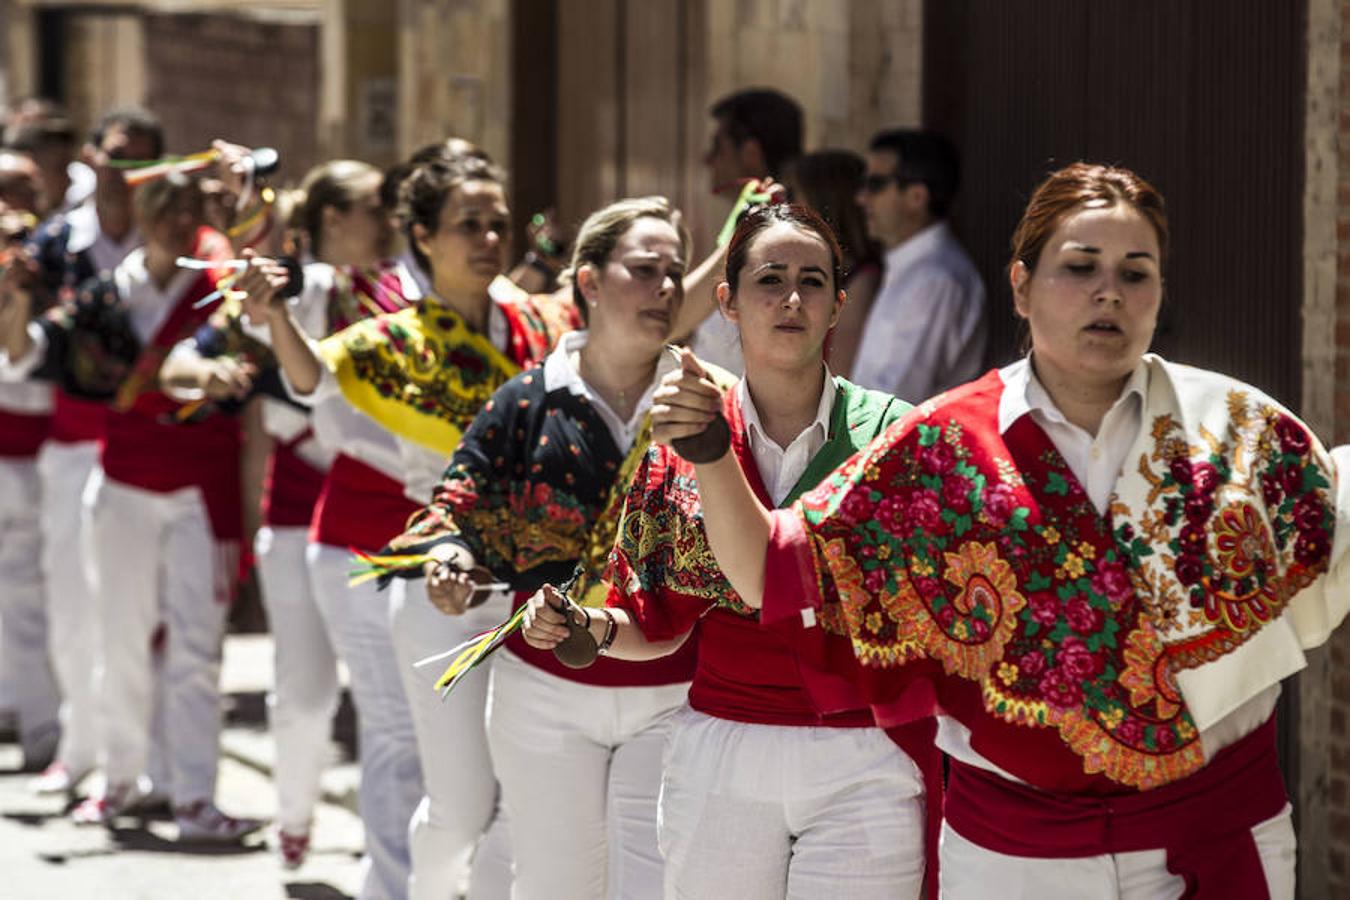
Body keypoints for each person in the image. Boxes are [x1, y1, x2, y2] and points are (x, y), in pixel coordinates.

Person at [662, 162, 1350, 898]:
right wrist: (712, 456)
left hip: (1212, 837)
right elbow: (777, 570)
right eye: (1079, 267)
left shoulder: (1242, 430)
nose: (1108, 291)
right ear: (1020, 286)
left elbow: (1330, 523)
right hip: (1016, 862)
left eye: (1135, 271)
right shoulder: (940, 448)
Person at [523, 203, 940, 899]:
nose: (791, 299)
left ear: (838, 305)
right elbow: (654, 623)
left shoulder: (894, 437)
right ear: (729, 302)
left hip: (866, 755)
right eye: (769, 280)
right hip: (721, 750)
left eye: (812, 282)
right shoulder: (679, 445)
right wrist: (585, 628)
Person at [252, 153, 574, 900]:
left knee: (495, 765)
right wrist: (268, 306)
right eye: (470, 223)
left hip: (497, 567)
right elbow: (308, 380)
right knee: (397, 738)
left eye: (497, 222)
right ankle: (392, 889)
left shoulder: (519, 312)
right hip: (369, 549)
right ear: (421, 231)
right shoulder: (361, 300)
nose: (489, 237)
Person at [386, 196, 703, 899]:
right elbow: (460, 509)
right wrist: (455, 563)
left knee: (651, 885)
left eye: (675, 273)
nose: (666, 289)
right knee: (556, 884)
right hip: (545, 694)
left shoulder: (709, 406)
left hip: (673, 692)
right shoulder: (527, 401)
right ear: (589, 282)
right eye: (645, 269)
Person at [161, 157, 414, 870]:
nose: (391, 218)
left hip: (396, 518)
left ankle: (385, 843)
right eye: (375, 204)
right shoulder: (287, 287)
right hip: (303, 516)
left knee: (388, 704)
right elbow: (182, 363)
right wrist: (208, 374)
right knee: (304, 690)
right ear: (333, 217)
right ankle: (294, 816)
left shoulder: (404, 294)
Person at [0, 171, 262, 841]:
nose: (180, 222)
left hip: (202, 491)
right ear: (144, 217)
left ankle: (194, 796)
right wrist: (12, 309)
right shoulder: (105, 296)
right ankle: (122, 781)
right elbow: (34, 354)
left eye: (190, 210)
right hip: (121, 489)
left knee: (197, 647)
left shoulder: (221, 293)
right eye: (167, 209)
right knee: (118, 638)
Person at [18, 108, 165, 798]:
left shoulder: (172, 241)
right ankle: (79, 750)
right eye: (114, 157)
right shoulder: (55, 246)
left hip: (155, 454)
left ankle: (150, 762)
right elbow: (28, 353)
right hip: (76, 445)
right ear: (92, 158)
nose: (123, 173)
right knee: (75, 606)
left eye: (140, 161)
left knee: (152, 614)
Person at [851, 128, 985, 402]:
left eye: (875, 185)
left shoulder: (936, 279)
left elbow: (898, 400)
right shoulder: (913, 268)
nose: (862, 198)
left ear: (916, 197)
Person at [692, 88, 804, 375]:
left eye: (718, 147)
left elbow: (683, 317)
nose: (708, 159)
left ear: (751, 153)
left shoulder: (775, 231)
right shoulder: (752, 216)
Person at [783, 149, 883, 378]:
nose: (783, 207)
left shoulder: (862, 282)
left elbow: (841, 377)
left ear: (822, 200)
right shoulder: (826, 272)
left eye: (791, 195)